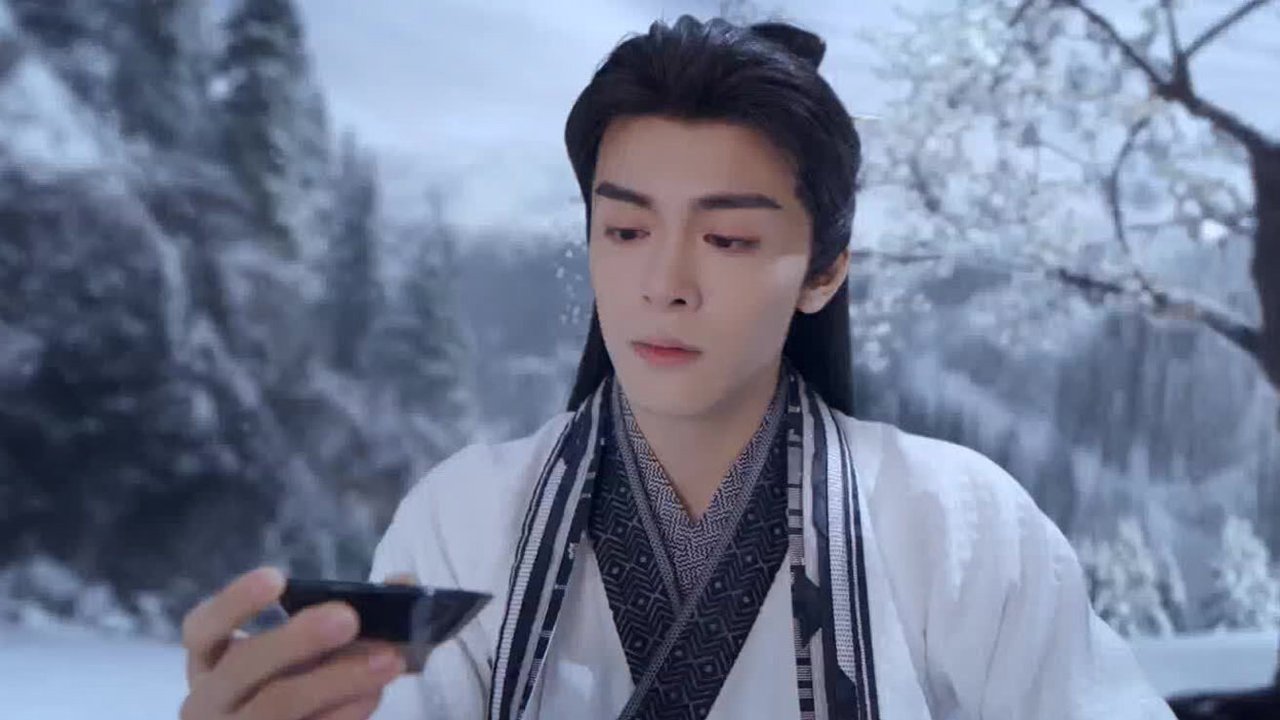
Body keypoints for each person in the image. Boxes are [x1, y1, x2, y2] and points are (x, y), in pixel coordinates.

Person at [180, 15, 1177, 720]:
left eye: (729, 240)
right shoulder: (464, 517)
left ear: (823, 270)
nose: (664, 284)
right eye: (624, 229)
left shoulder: (960, 524)